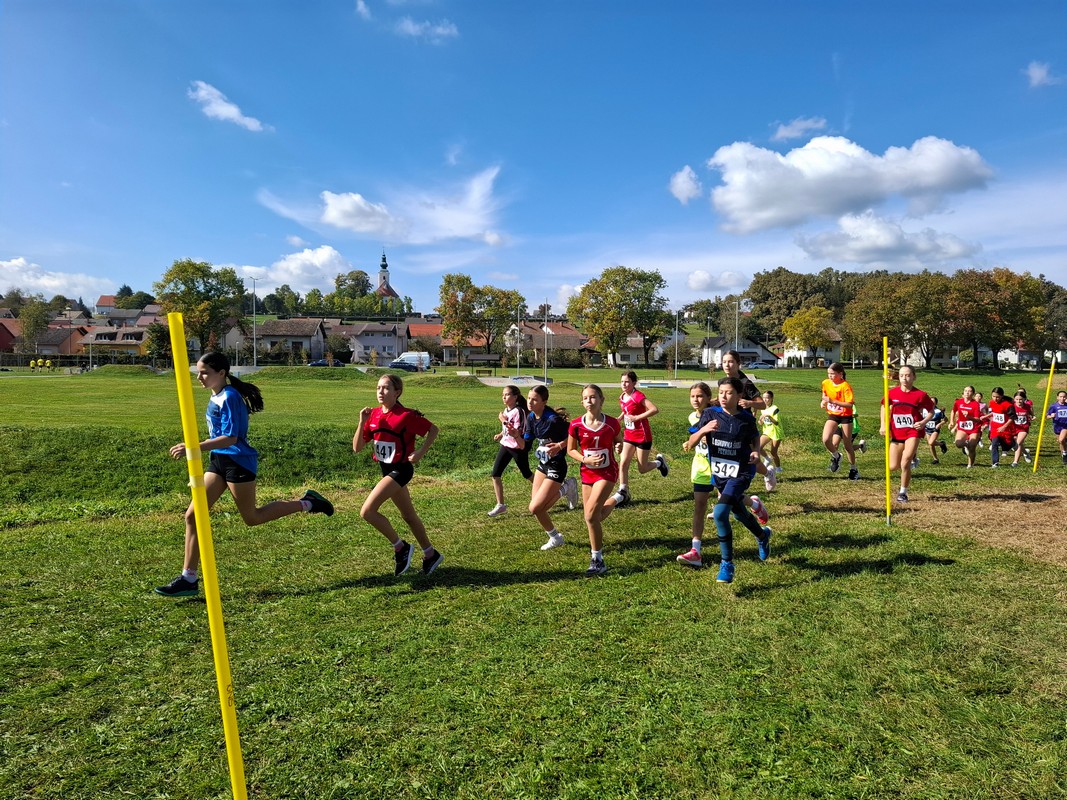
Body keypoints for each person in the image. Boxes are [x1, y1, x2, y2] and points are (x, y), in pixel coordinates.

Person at [155, 352, 334, 597]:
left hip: (238, 461)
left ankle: (308, 502)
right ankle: (188, 578)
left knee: (252, 517)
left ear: (221, 373)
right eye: (198, 372)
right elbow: (218, 436)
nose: (199, 377)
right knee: (193, 515)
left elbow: (231, 438)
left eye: (205, 372)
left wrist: (194, 447)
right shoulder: (216, 395)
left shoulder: (230, 397)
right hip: (219, 461)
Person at [683, 377, 772, 584]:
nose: (724, 396)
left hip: (741, 473)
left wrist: (756, 451)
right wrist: (704, 430)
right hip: (720, 475)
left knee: (721, 513)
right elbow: (691, 442)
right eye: (721, 392)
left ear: (739, 395)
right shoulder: (709, 414)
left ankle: (727, 564)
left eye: (729, 392)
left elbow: (755, 437)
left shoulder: (746, 418)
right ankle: (762, 536)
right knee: (739, 513)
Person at [353, 374, 443, 576]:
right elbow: (357, 447)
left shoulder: (406, 415)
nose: (380, 392)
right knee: (409, 516)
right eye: (378, 388)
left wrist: (420, 452)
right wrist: (361, 422)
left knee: (367, 511)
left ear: (397, 392)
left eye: (386, 388)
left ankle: (400, 547)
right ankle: (431, 554)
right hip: (386, 470)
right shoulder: (373, 415)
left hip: (401, 470)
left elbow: (433, 430)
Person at [567, 384, 624, 577]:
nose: (589, 401)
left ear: (601, 400)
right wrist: (585, 459)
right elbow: (570, 450)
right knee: (595, 517)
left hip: (607, 472)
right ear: (581, 402)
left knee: (590, 517)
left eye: (593, 397)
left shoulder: (612, 423)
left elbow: (619, 441)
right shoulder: (575, 425)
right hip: (587, 473)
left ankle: (597, 560)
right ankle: (618, 498)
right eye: (585, 398)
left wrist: (618, 447)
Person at [526, 385, 576, 551]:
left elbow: (574, 435)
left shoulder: (553, 420)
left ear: (544, 402)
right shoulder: (531, 417)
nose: (530, 402)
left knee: (536, 508)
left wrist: (560, 446)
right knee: (537, 509)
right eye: (529, 398)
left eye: (535, 399)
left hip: (557, 466)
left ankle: (566, 487)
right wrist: (513, 434)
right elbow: (525, 442)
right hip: (543, 464)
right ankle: (555, 538)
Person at [720, 351, 777, 491]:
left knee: (750, 458)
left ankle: (768, 473)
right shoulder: (723, 382)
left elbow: (762, 404)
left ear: (738, 364)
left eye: (731, 362)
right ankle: (726, 490)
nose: (727, 365)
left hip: (743, 425)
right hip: (728, 423)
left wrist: (749, 402)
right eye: (724, 362)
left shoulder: (746, 383)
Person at [610, 371, 668, 508]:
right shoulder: (622, 396)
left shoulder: (638, 396)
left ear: (634, 383)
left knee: (642, 468)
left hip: (642, 435)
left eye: (627, 382)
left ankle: (659, 463)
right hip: (629, 435)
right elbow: (626, 409)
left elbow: (654, 409)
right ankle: (623, 491)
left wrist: (637, 418)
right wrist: (620, 418)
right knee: (623, 463)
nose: (624, 384)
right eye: (622, 381)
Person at [880, 365, 934, 503]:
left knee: (905, 462)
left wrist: (923, 422)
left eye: (908, 375)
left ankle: (903, 492)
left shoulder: (920, 395)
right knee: (892, 466)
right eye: (902, 375)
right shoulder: (892, 393)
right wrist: (883, 425)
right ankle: (913, 457)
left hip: (913, 431)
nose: (905, 378)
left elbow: (931, 411)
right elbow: (884, 407)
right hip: (897, 432)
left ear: (914, 377)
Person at [488, 385, 538, 517]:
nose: (504, 397)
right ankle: (500, 505)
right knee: (495, 474)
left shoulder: (519, 411)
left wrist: (503, 421)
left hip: (517, 447)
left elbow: (517, 431)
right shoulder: (506, 410)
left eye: (507, 394)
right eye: (503, 395)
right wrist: (501, 434)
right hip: (506, 445)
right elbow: (507, 429)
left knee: (527, 474)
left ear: (515, 397)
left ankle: (554, 489)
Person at [820, 362, 860, 480]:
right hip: (833, 415)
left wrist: (833, 401)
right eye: (828, 373)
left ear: (840, 374)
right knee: (826, 439)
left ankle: (853, 469)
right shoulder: (826, 383)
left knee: (848, 445)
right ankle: (836, 456)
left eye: (833, 374)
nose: (830, 376)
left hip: (846, 416)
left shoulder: (845, 386)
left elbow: (849, 404)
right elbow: (824, 395)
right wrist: (823, 401)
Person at [983, 387, 1016, 469]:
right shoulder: (991, 402)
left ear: (1002, 396)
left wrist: (1004, 426)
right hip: (995, 428)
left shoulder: (1008, 405)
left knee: (1008, 444)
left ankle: (1015, 445)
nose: (995, 399)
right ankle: (995, 463)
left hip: (1006, 428)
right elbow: (994, 413)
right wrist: (985, 416)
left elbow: (1013, 417)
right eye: (993, 396)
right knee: (994, 443)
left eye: (997, 397)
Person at [950, 385, 983, 468]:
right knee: (958, 444)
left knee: (972, 447)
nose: (967, 392)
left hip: (974, 427)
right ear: (963, 392)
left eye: (969, 391)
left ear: (973, 394)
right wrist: (951, 421)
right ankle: (966, 444)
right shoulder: (958, 402)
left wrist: (969, 417)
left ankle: (970, 464)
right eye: (965, 391)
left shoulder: (975, 404)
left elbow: (977, 419)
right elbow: (953, 411)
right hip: (963, 427)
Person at [757, 390, 783, 476]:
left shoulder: (775, 409)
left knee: (773, 452)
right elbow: (762, 422)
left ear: (771, 398)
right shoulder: (762, 408)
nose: (765, 399)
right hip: (767, 431)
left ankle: (778, 468)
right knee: (758, 447)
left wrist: (768, 416)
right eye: (763, 397)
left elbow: (776, 422)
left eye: (767, 398)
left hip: (776, 431)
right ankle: (767, 459)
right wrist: (760, 421)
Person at [1010, 388, 1034, 466]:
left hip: (1024, 427)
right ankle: (1026, 453)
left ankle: (1015, 462)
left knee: (1018, 443)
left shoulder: (1027, 406)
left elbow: (1031, 413)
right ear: (1014, 399)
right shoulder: (1012, 407)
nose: (1019, 401)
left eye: (1020, 399)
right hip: (1014, 428)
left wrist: (1032, 416)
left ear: (1024, 399)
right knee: (1018, 443)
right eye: (1017, 399)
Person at [924, 397, 948, 464]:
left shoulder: (938, 411)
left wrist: (940, 424)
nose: (931, 403)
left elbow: (946, 420)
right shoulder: (924, 410)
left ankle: (942, 444)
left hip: (935, 429)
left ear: (935, 403)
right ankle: (935, 459)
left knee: (931, 442)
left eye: (933, 402)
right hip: (927, 429)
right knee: (931, 445)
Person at [1045, 390, 1067, 465]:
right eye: (1061, 397)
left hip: (1065, 426)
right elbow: (1047, 416)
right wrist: (1051, 416)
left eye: (1064, 397)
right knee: (1061, 442)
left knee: (1061, 440)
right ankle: (1064, 455)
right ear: (1057, 397)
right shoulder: (1054, 406)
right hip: (1057, 426)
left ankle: (1065, 453)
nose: (1062, 398)